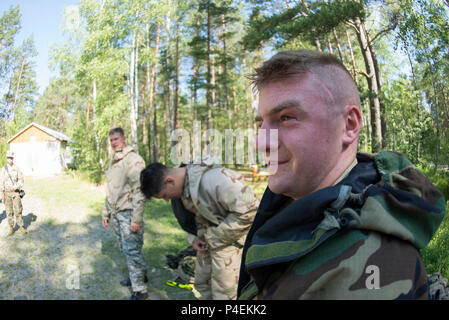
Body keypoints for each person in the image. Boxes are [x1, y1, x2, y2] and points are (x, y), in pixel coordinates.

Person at [237, 50, 447, 300]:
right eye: (261, 123)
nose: (262, 142)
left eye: (287, 118)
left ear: (349, 125)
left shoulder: (371, 265)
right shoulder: (297, 202)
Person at [140, 157, 258, 300]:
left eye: (165, 195)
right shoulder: (184, 187)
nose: (166, 200)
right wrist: (195, 238)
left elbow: (249, 210)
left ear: (169, 181)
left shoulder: (215, 180)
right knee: (203, 283)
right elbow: (195, 218)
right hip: (210, 245)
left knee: (225, 293)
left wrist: (214, 237)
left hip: (231, 245)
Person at [101, 128, 148, 300]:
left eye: (116, 139)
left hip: (128, 213)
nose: (114, 142)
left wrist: (136, 218)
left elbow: (140, 191)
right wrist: (105, 213)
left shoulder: (134, 160)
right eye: (111, 140)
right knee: (126, 249)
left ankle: (140, 290)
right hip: (116, 213)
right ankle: (139, 275)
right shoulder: (113, 161)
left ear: (124, 138)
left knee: (132, 250)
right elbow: (111, 191)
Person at [1, 150, 27, 236]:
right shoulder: (4, 169)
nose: (10, 160)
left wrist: (18, 186)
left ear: (13, 158)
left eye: (11, 158)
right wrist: (2, 193)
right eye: (8, 158)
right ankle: (11, 227)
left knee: (18, 210)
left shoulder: (17, 168)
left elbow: (21, 180)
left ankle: (21, 226)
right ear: (6, 158)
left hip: (15, 193)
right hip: (7, 193)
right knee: (9, 211)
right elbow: (1, 182)